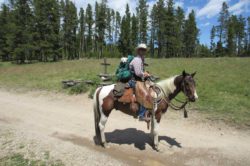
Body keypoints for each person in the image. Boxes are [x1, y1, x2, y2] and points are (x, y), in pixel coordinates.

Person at [129, 43, 150, 122]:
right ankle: (141, 115)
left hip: (138, 79)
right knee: (143, 94)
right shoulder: (137, 60)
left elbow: (139, 72)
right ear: (138, 51)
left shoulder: (141, 59)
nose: (143, 51)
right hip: (133, 80)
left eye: (144, 50)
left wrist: (144, 73)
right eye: (141, 50)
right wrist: (145, 74)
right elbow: (138, 73)